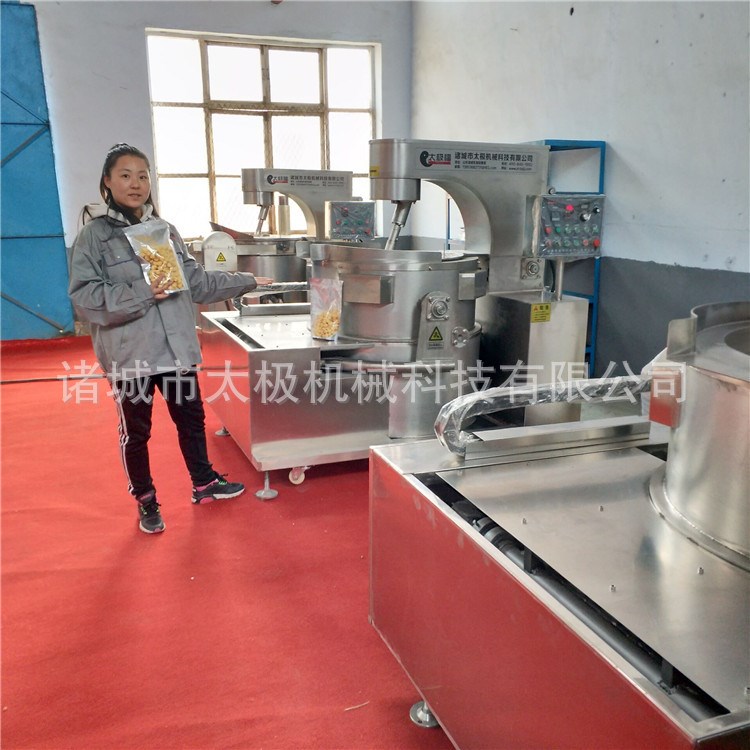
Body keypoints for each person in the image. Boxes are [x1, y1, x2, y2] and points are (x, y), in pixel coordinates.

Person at [68, 143, 273, 534]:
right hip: (131, 354)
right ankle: (146, 500)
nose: (135, 184)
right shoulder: (93, 238)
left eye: (142, 176)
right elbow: (85, 299)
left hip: (175, 348)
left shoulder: (165, 231)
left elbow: (196, 282)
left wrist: (247, 281)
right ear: (107, 182)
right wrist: (143, 293)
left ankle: (204, 483)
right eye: (125, 175)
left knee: (191, 420)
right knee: (137, 432)